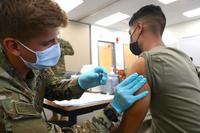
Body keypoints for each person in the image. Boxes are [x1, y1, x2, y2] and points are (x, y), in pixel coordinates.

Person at [0, 0, 149, 133]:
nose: (57, 48)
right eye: (48, 43)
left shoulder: (30, 60)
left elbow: (52, 87)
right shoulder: (5, 97)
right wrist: (112, 111)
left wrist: (81, 82)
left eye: (57, 39)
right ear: (13, 46)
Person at [118, 4, 200, 133]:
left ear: (139, 28)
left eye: (130, 33)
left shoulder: (143, 63)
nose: (131, 38)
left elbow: (128, 130)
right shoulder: (184, 58)